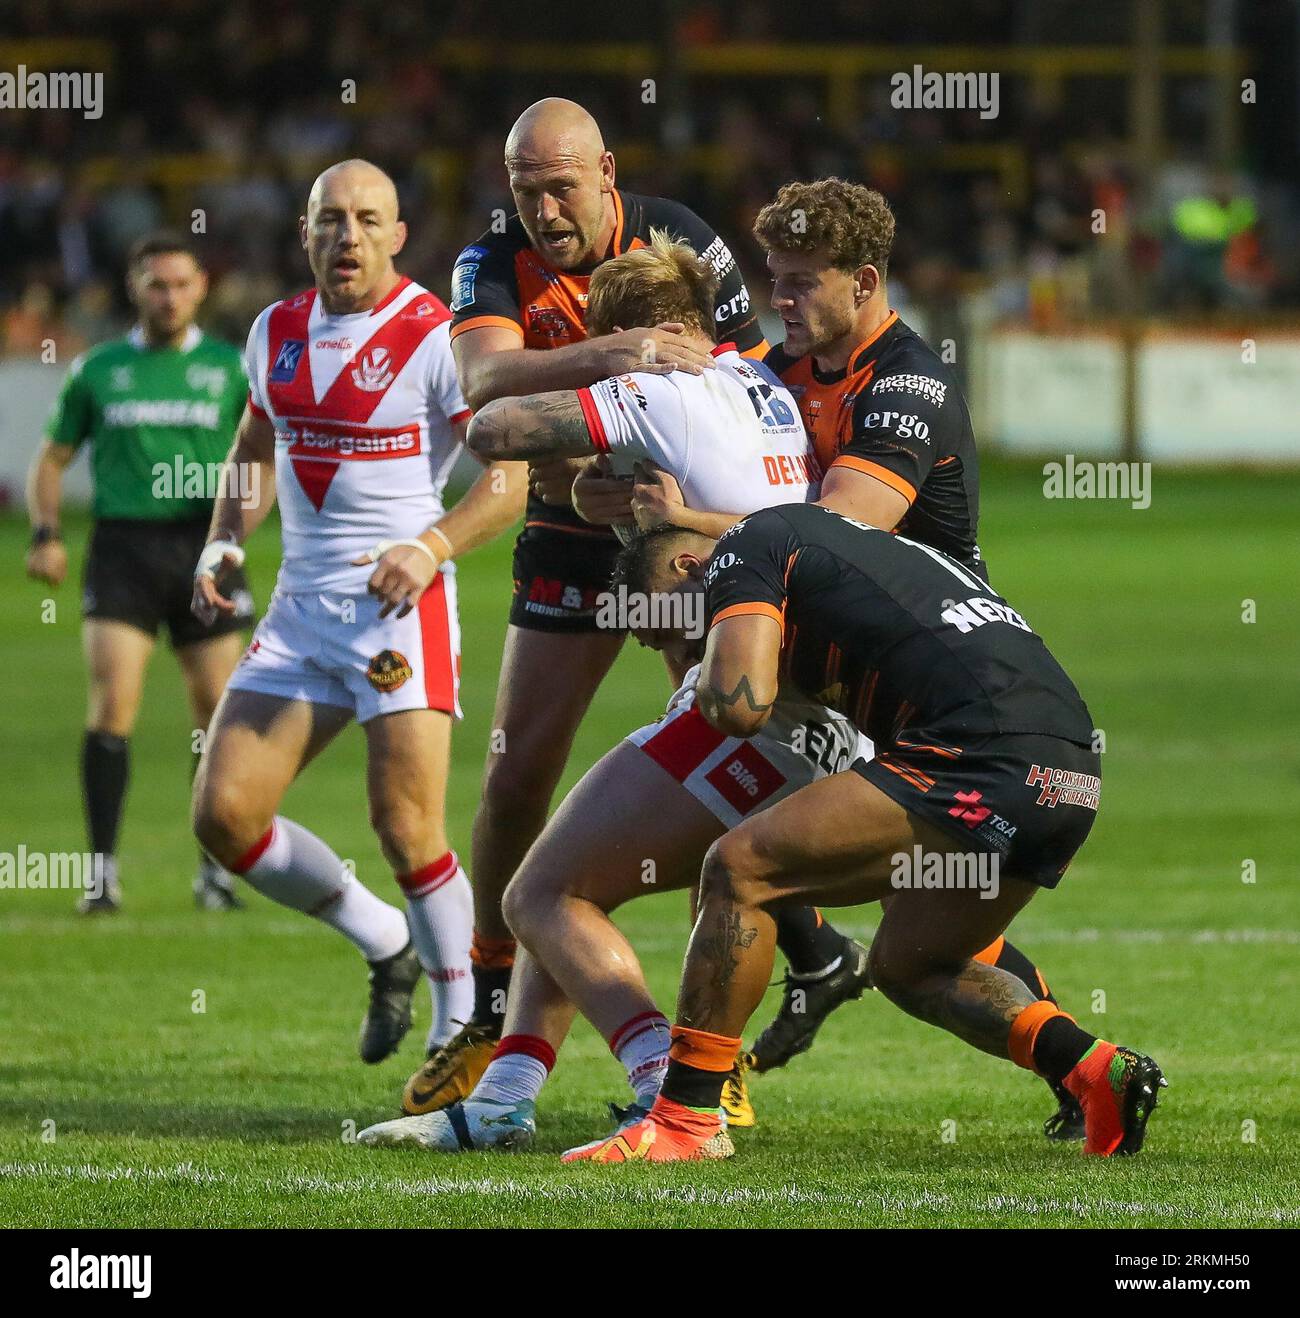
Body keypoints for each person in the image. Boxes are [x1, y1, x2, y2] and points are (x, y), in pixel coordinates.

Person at [353, 237, 1081, 1156]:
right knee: (924, 927)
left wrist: (602, 363)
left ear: (654, 335)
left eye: (615, 339)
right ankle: (511, 1092)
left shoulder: (665, 383)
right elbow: (707, 503)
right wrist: (626, 498)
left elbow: (491, 428)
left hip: (756, 707)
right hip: (828, 709)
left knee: (543, 890)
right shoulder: (767, 386)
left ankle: (674, 1086)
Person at [404, 96, 859, 1119]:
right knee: (517, 773)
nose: (541, 211)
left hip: (682, 533)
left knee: (716, 768)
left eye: (559, 188)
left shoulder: (682, 237)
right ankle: (488, 1004)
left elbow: (738, 383)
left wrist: (670, 490)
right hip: (572, 523)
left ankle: (729, 1032)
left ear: (606, 174)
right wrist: (616, 359)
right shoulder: (490, 258)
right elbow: (482, 380)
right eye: (524, 192)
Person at [567, 508, 1165, 1163]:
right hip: (1070, 772)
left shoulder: (744, 546)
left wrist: (697, 700)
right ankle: (1093, 1070)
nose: (686, 660)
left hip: (982, 755)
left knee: (741, 870)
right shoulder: (850, 555)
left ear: (692, 568)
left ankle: (683, 1122)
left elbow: (739, 703)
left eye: (678, 636)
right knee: (910, 966)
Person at [190, 160, 526, 1064]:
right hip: (300, 616)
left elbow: (508, 477)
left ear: (398, 235)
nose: (348, 236)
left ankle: (464, 1034)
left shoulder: (436, 336)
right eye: (330, 219)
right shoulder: (275, 329)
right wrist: (226, 536)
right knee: (223, 818)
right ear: (305, 232)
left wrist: (430, 548)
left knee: (405, 824)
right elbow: (256, 441)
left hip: (397, 614)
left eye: (368, 219)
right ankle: (385, 941)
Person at [25, 232, 253, 913]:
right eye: (157, 284)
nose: (170, 296)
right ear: (135, 288)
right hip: (122, 548)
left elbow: (262, 458)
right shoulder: (98, 370)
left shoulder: (231, 369)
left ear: (201, 289)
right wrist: (45, 532)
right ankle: (101, 875)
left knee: (217, 713)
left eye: (182, 284)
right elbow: (52, 459)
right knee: (112, 708)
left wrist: (249, 524)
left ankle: (215, 872)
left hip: (205, 548)